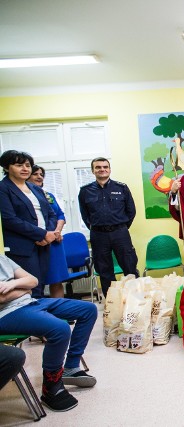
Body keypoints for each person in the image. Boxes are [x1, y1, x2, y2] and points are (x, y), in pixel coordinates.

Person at [0, 254, 98, 412]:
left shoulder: (2, 258)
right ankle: (51, 389)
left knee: (88, 310)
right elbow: (3, 298)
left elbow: (33, 281)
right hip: (6, 314)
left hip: (31, 302)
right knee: (59, 329)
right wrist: (23, 290)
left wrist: (14, 285)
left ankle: (71, 367)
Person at [0, 150, 57, 298]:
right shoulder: (3, 188)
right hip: (22, 246)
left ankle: (42, 317)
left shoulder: (35, 188)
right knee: (31, 288)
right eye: (19, 165)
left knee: (41, 283)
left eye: (27, 165)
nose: (25, 169)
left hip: (44, 243)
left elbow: (50, 214)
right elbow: (9, 219)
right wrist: (42, 234)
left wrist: (49, 234)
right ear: (6, 167)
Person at [78, 157, 139, 297]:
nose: (102, 169)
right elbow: (85, 215)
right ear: (93, 171)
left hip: (120, 233)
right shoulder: (85, 191)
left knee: (129, 266)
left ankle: (135, 300)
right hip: (98, 235)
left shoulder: (121, 188)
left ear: (110, 169)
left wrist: (121, 226)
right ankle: (111, 303)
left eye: (105, 167)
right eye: (98, 167)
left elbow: (131, 211)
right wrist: (96, 228)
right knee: (104, 270)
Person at [28, 165, 66, 298]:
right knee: (37, 282)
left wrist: (57, 231)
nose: (39, 177)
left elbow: (60, 215)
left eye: (41, 174)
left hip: (54, 241)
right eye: (35, 174)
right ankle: (43, 316)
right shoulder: (23, 196)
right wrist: (43, 235)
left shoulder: (48, 195)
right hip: (36, 242)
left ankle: (61, 316)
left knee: (56, 280)